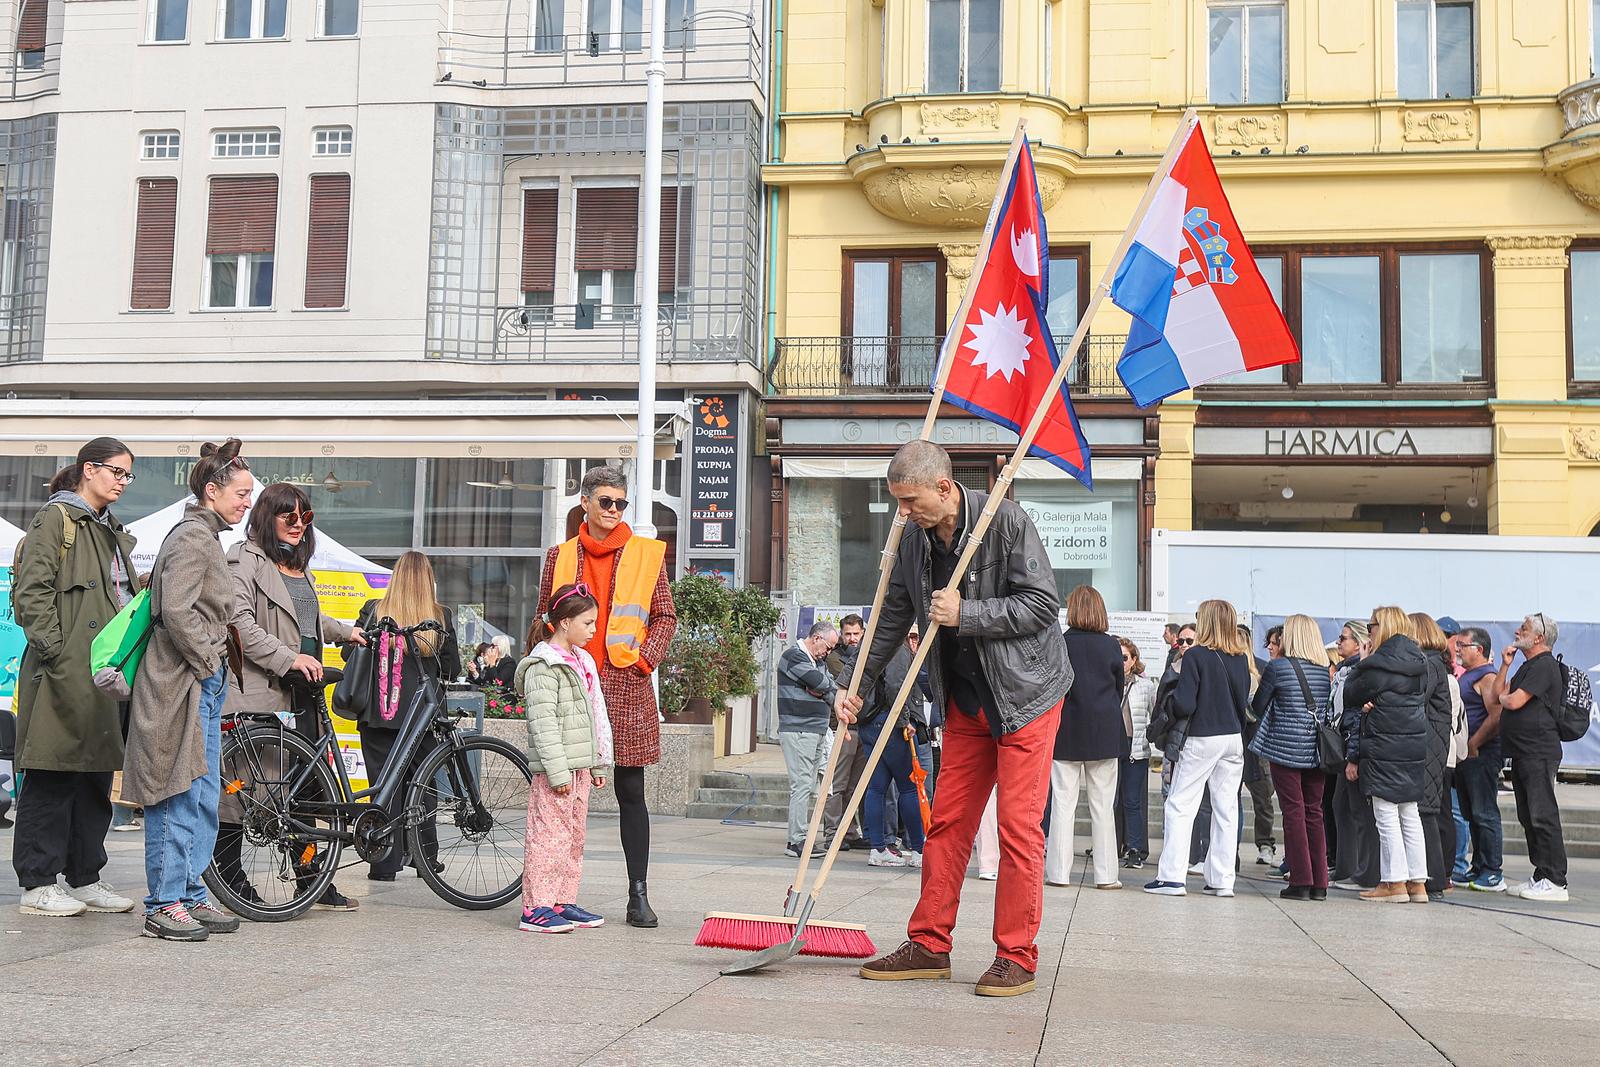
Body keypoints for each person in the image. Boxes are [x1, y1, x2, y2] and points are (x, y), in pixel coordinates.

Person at [850, 440, 1072, 998]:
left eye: (911, 500)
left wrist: (965, 613)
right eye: (897, 501)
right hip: (966, 701)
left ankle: (1016, 955)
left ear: (944, 488)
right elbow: (890, 617)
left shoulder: (1006, 521)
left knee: (1018, 828)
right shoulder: (911, 541)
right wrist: (859, 684)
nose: (903, 512)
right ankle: (929, 944)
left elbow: (1044, 604)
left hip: (1026, 697)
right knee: (947, 823)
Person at [535, 465, 676, 928]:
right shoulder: (559, 556)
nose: (615, 511)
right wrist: (544, 663)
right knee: (564, 792)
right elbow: (542, 617)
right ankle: (553, 896)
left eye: (621, 503)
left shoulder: (647, 555)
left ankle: (639, 894)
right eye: (606, 502)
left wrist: (644, 661)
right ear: (585, 504)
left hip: (624, 681)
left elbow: (664, 617)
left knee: (631, 791)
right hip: (570, 683)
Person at [122, 439, 252, 941]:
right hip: (182, 681)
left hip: (193, 678)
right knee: (176, 790)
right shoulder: (193, 537)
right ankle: (164, 902)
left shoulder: (203, 536)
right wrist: (209, 659)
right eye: (240, 493)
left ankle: (188, 894)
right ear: (211, 490)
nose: (246, 502)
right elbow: (174, 610)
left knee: (198, 791)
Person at [216, 481, 365, 912]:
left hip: (304, 694)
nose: (299, 524)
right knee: (242, 794)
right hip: (263, 690)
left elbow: (308, 618)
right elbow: (238, 622)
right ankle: (231, 880)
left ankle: (310, 877)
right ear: (267, 516)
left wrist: (345, 632)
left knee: (303, 796)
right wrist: (289, 658)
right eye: (289, 516)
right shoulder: (245, 559)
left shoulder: (299, 566)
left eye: (306, 516)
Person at [11, 437, 141, 918]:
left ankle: (85, 876)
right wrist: (57, 652)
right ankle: (38, 881)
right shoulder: (56, 518)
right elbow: (33, 591)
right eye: (116, 471)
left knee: (93, 776)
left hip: (102, 672)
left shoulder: (109, 529)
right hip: (65, 668)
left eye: (129, 475)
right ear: (90, 469)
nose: (123, 482)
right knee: (51, 773)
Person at [351, 551, 461, 881]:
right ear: (429, 581)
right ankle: (425, 857)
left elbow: (350, 651)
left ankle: (384, 862)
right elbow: (452, 670)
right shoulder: (441, 616)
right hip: (423, 715)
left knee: (384, 787)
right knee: (423, 785)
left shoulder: (374, 611)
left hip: (380, 713)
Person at [516, 582, 612, 933]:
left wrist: (600, 760)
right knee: (548, 836)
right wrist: (557, 772)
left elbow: (596, 713)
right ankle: (535, 907)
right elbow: (543, 725)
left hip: (581, 767)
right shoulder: (545, 666)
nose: (593, 630)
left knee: (573, 837)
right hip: (557, 770)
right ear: (563, 622)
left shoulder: (582, 660)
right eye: (587, 623)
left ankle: (561, 900)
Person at [1145, 599, 1249, 898]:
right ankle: (1222, 880)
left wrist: (1170, 703)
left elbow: (1185, 703)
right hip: (1233, 738)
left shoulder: (1195, 657)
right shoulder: (1240, 658)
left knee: (1180, 804)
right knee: (1226, 809)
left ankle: (1172, 878)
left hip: (1203, 736)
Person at [1342, 606, 1428, 904]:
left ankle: (1393, 884)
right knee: (1410, 813)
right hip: (1414, 744)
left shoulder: (1378, 664)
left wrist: (1362, 662)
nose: (1370, 630)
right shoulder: (1420, 660)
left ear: (1384, 627)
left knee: (1386, 814)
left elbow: (1350, 695)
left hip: (1384, 744)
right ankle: (1418, 883)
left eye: (1372, 624)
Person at [1249, 615, 1333, 901]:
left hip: (1285, 748)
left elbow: (1259, 704)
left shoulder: (1278, 667)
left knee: (1293, 813)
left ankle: (1300, 879)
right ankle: (1320, 882)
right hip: (1316, 750)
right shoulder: (1323, 670)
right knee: (1314, 812)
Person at [1046, 586, 1123, 890]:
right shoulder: (1111, 646)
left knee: (1063, 805)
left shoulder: (1060, 644)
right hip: (1104, 732)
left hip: (1066, 731)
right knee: (1102, 807)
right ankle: (1106, 875)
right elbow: (1118, 687)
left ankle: (1058, 873)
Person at [1493, 613, 1570, 902]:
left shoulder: (1545, 666)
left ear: (1538, 637)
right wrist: (1504, 664)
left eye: (1524, 628)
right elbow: (1495, 694)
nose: (1517, 630)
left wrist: (1504, 697)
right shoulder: (1527, 666)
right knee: (1528, 816)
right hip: (1523, 752)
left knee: (1542, 815)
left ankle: (1556, 879)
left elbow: (1511, 700)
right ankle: (1541, 873)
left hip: (1539, 751)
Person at [858, 633, 928, 868]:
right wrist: (905, 720)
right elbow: (896, 684)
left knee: (876, 788)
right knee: (909, 787)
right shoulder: (895, 645)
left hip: (869, 721)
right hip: (891, 721)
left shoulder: (869, 644)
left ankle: (877, 848)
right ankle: (918, 849)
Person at [777, 621, 837, 859]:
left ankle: (802, 837)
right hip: (799, 729)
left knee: (809, 785)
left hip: (814, 729)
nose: (828, 653)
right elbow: (823, 683)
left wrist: (823, 689)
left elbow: (828, 686)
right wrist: (823, 688)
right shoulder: (794, 656)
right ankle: (796, 840)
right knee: (802, 784)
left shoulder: (818, 662)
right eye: (828, 647)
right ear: (816, 638)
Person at [1409, 613, 1459, 900]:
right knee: (1428, 811)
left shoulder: (1428, 664)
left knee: (1426, 812)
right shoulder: (1435, 663)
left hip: (1427, 747)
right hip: (1433, 746)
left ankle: (1433, 878)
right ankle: (1432, 877)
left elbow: (1415, 699)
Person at [1330, 619, 1381, 892]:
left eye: (1344, 638)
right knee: (1342, 806)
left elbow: (1355, 715)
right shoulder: (1343, 670)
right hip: (1346, 745)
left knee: (1360, 811)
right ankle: (1347, 866)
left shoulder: (1358, 672)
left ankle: (1364, 871)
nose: (1339, 642)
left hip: (1356, 747)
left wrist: (1354, 756)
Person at [1454, 627, 1505, 891]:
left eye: (1463, 645)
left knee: (1484, 812)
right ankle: (1479, 866)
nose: (1458, 649)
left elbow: (1496, 716)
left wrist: (1474, 743)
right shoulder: (1470, 674)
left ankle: (1493, 871)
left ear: (1479, 649)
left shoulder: (1487, 676)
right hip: (1467, 756)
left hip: (1482, 754)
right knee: (1472, 813)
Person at [822, 613, 872, 851]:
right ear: (842, 635)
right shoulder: (836, 659)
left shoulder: (869, 655)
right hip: (843, 727)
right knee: (838, 785)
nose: (852, 638)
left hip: (863, 727)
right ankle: (832, 833)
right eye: (848, 634)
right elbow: (852, 682)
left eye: (856, 634)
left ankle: (850, 832)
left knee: (854, 787)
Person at [1114, 637, 1156, 869]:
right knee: (1111, 800)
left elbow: (1155, 713)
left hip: (1136, 749)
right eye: (1117, 657)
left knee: (1131, 800)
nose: (1120, 662)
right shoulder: (1109, 681)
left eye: (1125, 657)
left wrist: (1150, 738)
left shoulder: (1145, 685)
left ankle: (1134, 849)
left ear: (1134, 660)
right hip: (1111, 747)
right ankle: (1110, 845)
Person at [1241, 623, 1278, 867]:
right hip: (1235, 739)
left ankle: (1266, 844)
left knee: (1263, 796)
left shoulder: (1263, 668)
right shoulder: (1224, 665)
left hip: (1258, 741)